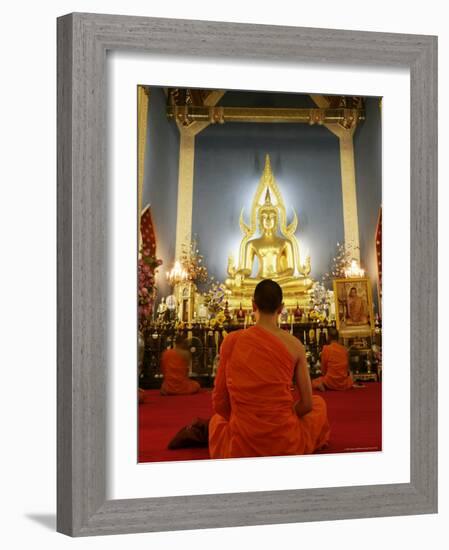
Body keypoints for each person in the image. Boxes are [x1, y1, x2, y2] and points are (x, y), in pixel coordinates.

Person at [209, 279, 330, 459]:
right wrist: (281, 417)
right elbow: (307, 404)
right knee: (319, 404)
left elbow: (220, 402)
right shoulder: (295, 345)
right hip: (285, 441)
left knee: (216, 421)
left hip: (242, 442)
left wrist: (244, 418)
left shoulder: (231, 341)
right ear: (281, 308)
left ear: (253, 305)